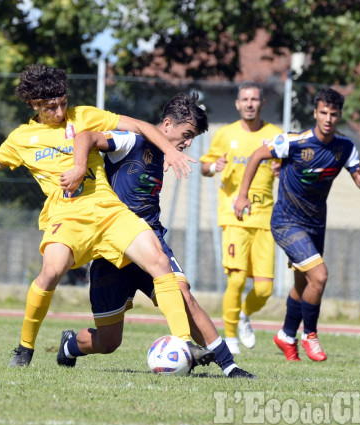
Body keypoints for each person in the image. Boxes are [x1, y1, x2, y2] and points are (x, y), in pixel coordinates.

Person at [0, 64, 214, 367]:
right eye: (50, 107)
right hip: (67, 215)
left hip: (108, 210)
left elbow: (142, 126)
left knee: (158, 261)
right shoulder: (21, 139)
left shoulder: (84, 115)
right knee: (51, 272)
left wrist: (170, 150)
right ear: (34, 104)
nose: (59, 112)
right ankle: (25, 347)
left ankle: (182, 344)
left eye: (63, 103)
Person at [58, 93, 254, 378]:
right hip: (113, 246)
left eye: (192, 138)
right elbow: (86, 136)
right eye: (186, 134)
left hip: (151, 240)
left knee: (184, 295)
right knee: (109, 341)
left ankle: (229, 366)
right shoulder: (132, 141)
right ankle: (69, 347)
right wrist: (77, 167)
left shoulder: (163, 154)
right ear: (166, 124)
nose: (188, 143)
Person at [234, 88, 360, 361]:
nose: (328, 119)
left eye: (333, 114)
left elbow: (359, 177)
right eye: (323, 113)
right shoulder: (295, 142)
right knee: (320, 276)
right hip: (286, 221)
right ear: (315, 113)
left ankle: (286, 335)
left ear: (340, 116)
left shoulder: (346, 147)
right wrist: (242, 196)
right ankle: (310, 334)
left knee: (304, 284)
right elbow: (257, 155)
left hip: (316, 224)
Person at [199, 82, 282, 354]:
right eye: (244, 99)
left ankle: (244, 314)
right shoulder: (225, 134)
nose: (249, 103)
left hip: (265, 218)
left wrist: (284, 169)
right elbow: (204, 166)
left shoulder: (275, 135)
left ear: (262, 103)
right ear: (237, 104)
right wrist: (213, 166)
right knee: (236, 279)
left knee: (265, 289)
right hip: (234, 216)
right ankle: (230, 335)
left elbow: (286, 164)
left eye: (254, 99)